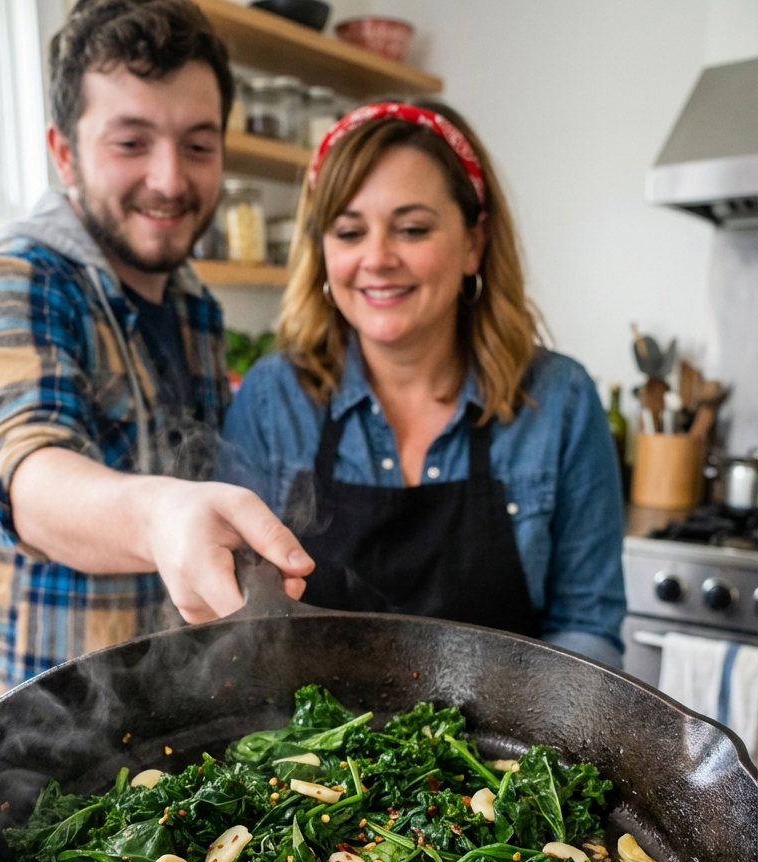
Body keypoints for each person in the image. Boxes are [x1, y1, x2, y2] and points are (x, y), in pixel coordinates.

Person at [0, 0, 312, 713]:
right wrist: (160, 515)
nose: (171, 179)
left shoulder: (193, 305)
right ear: (64, 151)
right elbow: (29, 470)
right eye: (131, 142)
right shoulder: (19, 277)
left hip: (170, 714)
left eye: (199, 146)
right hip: (46, 734)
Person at [219, 102, 626, 667]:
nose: (378, 258)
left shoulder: (562, 401)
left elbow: (588, 631)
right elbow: (239, 627)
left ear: (473, 242)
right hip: (313, 746)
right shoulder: (270, 399)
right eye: (349, 231)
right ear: (323, 252)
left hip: (504, 749)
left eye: (412, 229)